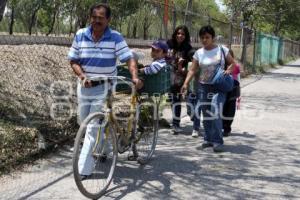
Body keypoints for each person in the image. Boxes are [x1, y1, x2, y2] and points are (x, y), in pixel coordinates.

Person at [68, 3, 142, 179]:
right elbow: (73, 60)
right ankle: (105, 148)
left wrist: (134, 76)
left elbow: (128, 58)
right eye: (94, 17)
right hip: (84, 86)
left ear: (108, 20)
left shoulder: (115, 37)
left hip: (105, 86)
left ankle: (83, 170)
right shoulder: (80, 35)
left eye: (101, 18)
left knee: (93, 127)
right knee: (83, 123)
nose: (97, 21)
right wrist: (82, 76)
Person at [181, 25, 235, 152]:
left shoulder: (222, 50)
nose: (204, 40)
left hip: (219, 86)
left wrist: (228, 70)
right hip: (203, 87)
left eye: (207, 37)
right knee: (205, 113)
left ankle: (217, 140)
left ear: (213, 38)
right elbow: (193, 70)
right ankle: (208, 139)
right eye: (202, 38)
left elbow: (233, 63)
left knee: (215, 111)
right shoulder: (198, 53)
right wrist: (185, 84)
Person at [167, 25, 193, 134]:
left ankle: (191, 112)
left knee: (188, 98)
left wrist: (183, 66)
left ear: (186, 36)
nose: (180, 36)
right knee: (175, 100)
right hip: (170, 76)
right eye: (178, 33)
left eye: (182, 34)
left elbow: (191, 63)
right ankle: (176, 124)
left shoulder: (188, 48)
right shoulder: (169, 43)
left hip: (183, 76)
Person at [222, 49, 241, 136]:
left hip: (233, 88)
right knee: (222, 108)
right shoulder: (220, 65)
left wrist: (239, 94)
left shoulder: (235, 66)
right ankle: (222, 125)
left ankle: (227, 127)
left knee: (230, 110)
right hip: (223, 88)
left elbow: (238, 78)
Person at [186, 50, 202, 138]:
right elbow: (187, 74)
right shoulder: (189, 65)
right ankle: (195, 119)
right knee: (189, 110)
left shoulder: (202, 66)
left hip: (200, 91)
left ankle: (196, 129)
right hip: (190, 91)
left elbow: (195, 73)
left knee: (197, 110)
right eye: (192, 58)